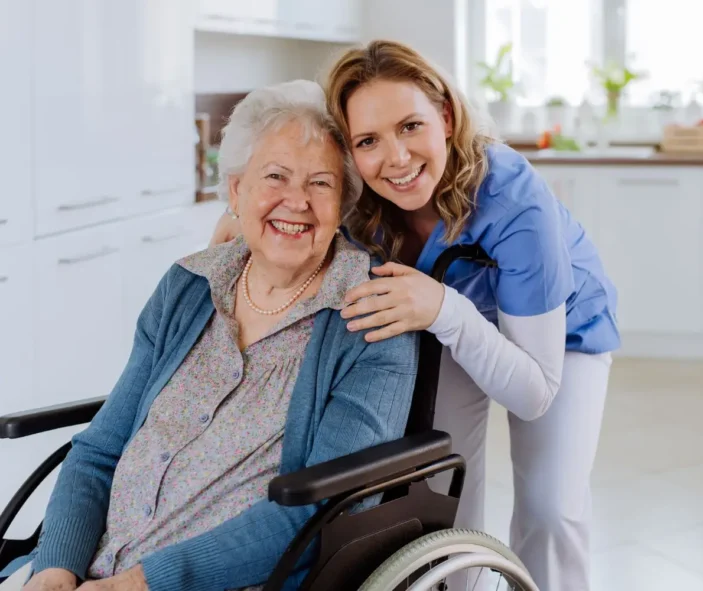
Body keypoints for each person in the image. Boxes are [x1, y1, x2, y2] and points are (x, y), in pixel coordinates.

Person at [212, 40, 620, 591]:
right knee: (444, 483)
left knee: (551, 508)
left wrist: (446, 308)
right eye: (368, 141)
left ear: (446, 116)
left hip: (560, 335)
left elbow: (533, 392)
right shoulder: (358, 196)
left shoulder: (515, 203)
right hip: (439, 318)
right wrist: (238, 225)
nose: (396, 159)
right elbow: (287, 204)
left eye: (410, 126)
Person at [0, 80, 418, 591]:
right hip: (92, 569)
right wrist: (55, 569)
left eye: (321, 184)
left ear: (343, 206)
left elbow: (323, 508)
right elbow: (99, 453)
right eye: (275, 176)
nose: (296, 201)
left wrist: (139, 583)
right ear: (237, 191)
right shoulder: (190, 284)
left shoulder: (372, 316)